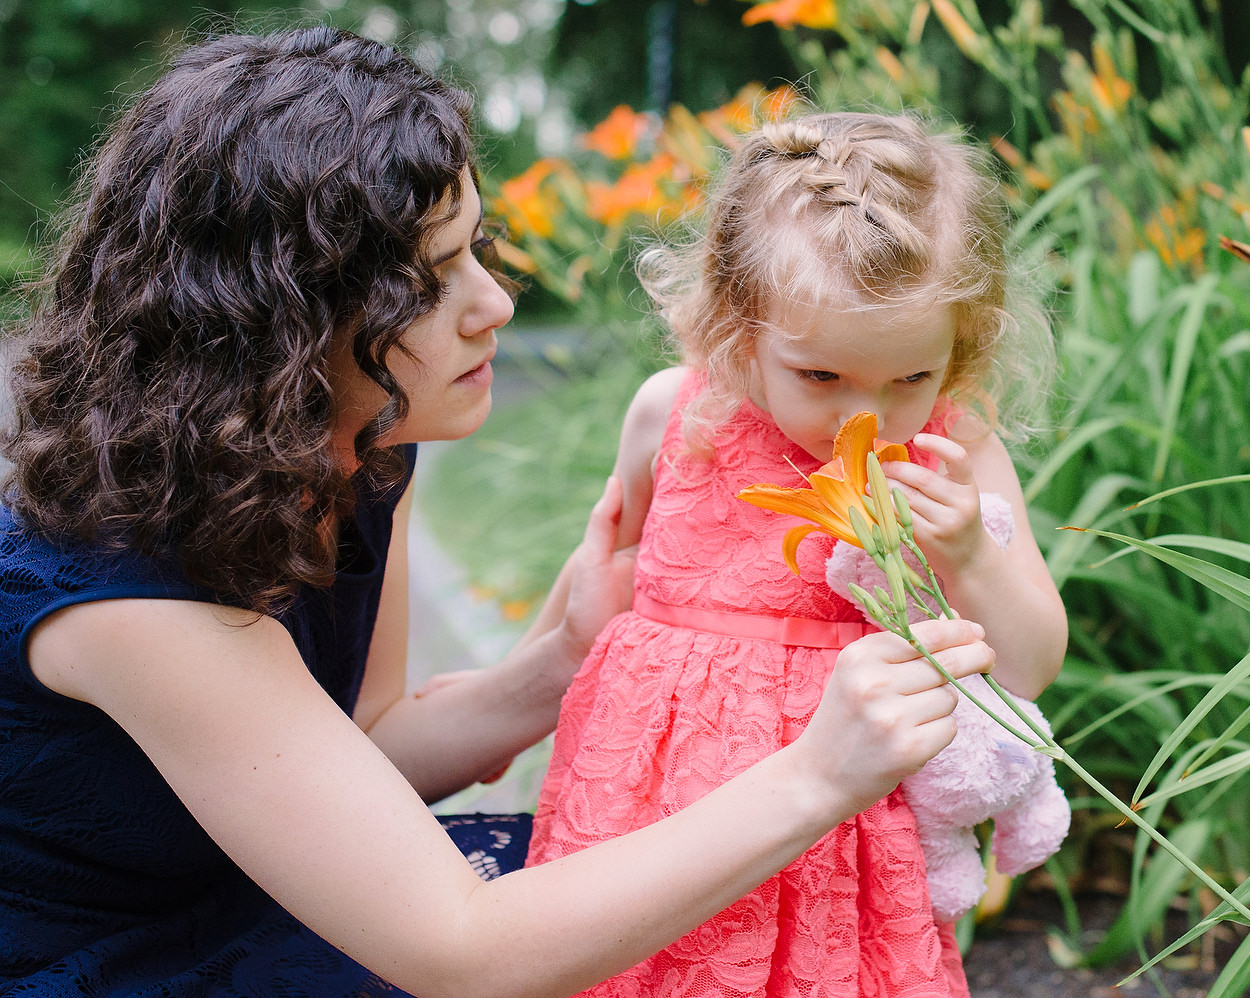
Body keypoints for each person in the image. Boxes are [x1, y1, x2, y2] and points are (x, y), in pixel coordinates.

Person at [0, 30, 998, 997]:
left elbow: (363, 748)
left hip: (275, 899)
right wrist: (818, 777)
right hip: (120, 961)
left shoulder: (353, 450)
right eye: (431, 280)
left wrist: (560, 657)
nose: (495, 304)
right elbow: (465, 955)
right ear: (279, 320)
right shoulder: (128, 594)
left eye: (477, 245)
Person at [524, 111, 1069, 998]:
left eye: (910, 379)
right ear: (739, 327)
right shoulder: (675, 412)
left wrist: (969, 550)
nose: (867, 417)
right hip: (654, 799)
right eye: (821, 377)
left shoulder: (952, 446)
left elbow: (1033, 664)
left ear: (960, 348)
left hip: (845, 828)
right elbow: (612, 572)